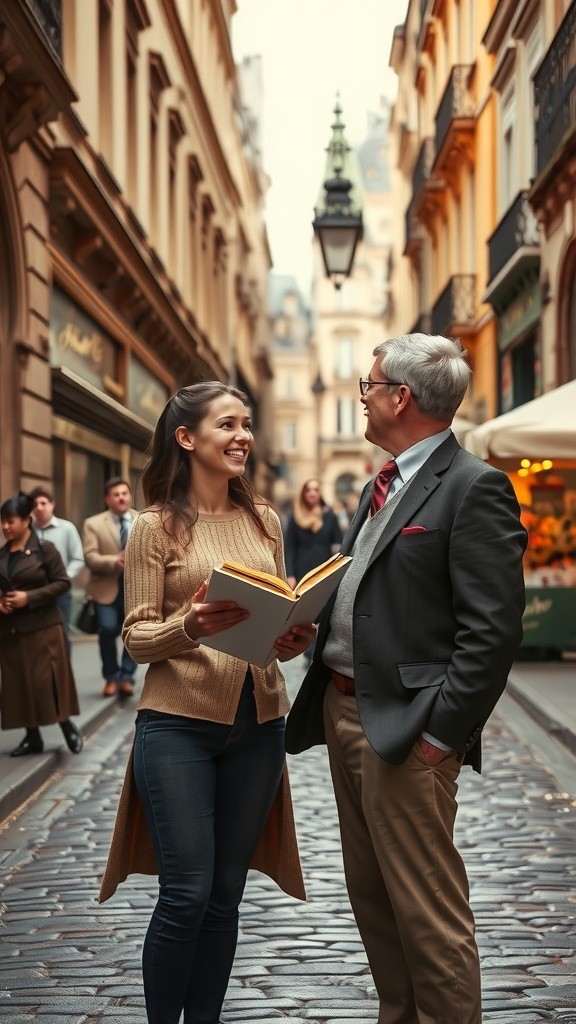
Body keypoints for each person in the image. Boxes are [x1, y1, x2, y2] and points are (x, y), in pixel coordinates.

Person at [286, 333, 528, 1024]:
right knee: (374, 897)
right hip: (342, 712)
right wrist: (310, 624)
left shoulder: (475, 488)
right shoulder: (381, 480)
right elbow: (367, 588)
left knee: (427, 911)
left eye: (368, 386)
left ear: (402, 397)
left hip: (407, 729)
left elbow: (493, 631)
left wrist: (440, 735)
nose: (361, 398)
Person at [98, 381, 312, 1024]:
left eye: (247, 424)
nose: (243, 436)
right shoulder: (153, 527)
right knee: (186, 892)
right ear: (187, 438)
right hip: (177, 725)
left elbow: (270, 637)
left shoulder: (264, 521)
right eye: (228, 424)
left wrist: (291, 638)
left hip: (259, 722)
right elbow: (136, 637)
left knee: (225, 896)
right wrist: (189, 626)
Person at [0, 493, 83, 757]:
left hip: (44, 628)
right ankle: (32, 736)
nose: (5, 527)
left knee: (47, 682)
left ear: (27, 520)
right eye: (2, 522)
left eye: (10, 521)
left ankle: (66, 725)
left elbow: (62, 583)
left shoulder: (45, 549)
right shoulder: (2, 554)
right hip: (12, 630)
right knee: (18, 684)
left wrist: (29, 598)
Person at [82, 477, 138, 698]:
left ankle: (127, 677)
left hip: (136, 587)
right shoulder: (93, 524)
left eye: (124, 493)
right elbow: (89, 557)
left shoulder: (142, 519)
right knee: (106, 629)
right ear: (107, 499)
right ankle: (111, 677)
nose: (121, 497)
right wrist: (113, 561)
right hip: (105, 589)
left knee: (133, 632)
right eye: (116, 494)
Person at [29, 485, 85, 650]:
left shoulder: (67, 528)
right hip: (33, 591)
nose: (39, 508)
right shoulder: (28, 531)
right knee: (35, 636)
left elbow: (77, 559)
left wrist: (62, 578)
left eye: (43, 503)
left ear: (52, 504)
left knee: (61, 634)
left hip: (60, 592)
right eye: (34, 504)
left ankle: (63, 674)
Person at [284, 479, 343, 588]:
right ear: (303, 494)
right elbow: (289, 549)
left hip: (325, 574)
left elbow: (338, 545)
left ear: (320, 493)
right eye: (308, 490)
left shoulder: (329, 517)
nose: (312, 493)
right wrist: (290, 574)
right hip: (301, 575)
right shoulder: (295, 518)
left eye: (316, 489)